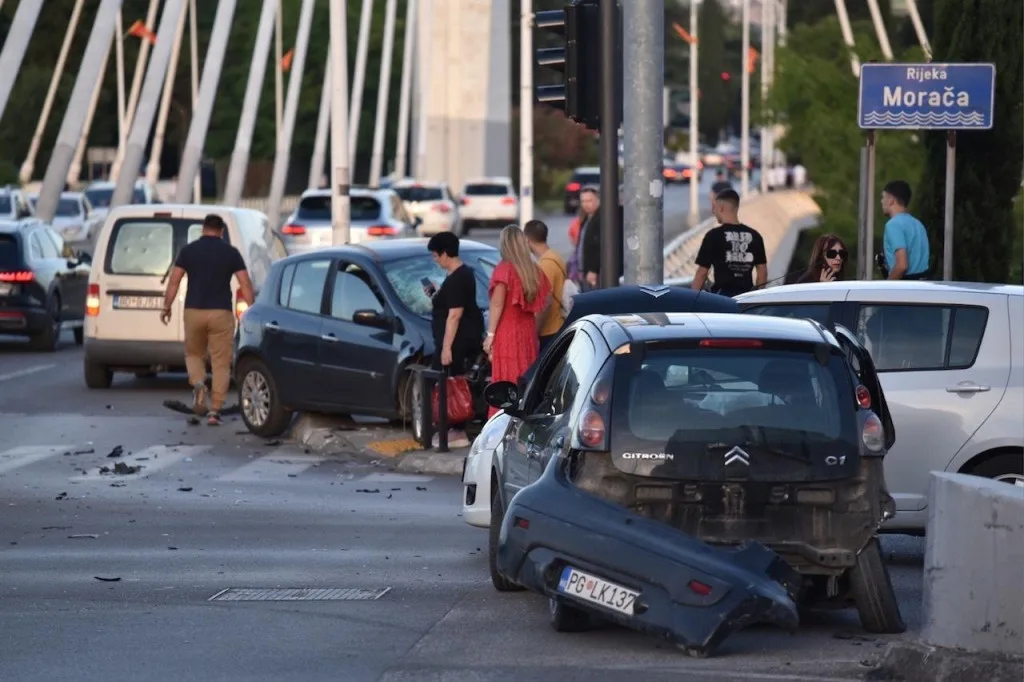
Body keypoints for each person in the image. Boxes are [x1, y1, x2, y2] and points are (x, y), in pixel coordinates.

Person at [161, 214, 254, 425]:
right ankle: (214, 411)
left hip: (194, 311)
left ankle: (199, 384)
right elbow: (245, 283)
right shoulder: (231, 253)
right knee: (221, 362)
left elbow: (174, 281)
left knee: (194, 354)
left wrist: (166, 307)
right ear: (221, 231)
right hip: (221, 313)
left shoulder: (189, 251)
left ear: (203, 229)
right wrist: (252, 310)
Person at [484, 225, 551, 418]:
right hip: (527, 331)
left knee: (506, 380)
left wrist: (490, 335)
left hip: (507, 331)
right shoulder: (533, 270)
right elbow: (547, 300)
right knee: (526, 378)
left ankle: (503, 422)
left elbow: (497, 304)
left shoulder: (504, 269)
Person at [425, 232, 485, 447]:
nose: (435, 260)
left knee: (450, 384)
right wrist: (436, 293)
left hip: (457, 342)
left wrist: (446, 348)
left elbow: (455, 315)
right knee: (449, 383)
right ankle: (451, 430)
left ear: (445, 253)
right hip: (456, 340)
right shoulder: (459, 275)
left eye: (436, 255)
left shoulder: (459, 278)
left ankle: (456, 431)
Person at [691, 189, 767, 297]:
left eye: (714, 207)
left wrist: (692, 301)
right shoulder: (755, 236)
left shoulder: (713, 236)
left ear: (721, 207)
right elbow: (762, 271)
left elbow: (702, 273)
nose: (713, 211)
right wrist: (757, 297)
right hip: (746, 298)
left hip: (722, 299)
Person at [523, 219, 566, 353]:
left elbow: (546, 301)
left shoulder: (545, 264)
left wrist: (534, 331)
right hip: (559, 323)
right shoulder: (556, 256)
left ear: (527, 240)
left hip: (549, 329)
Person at [880, 180, 930, 280]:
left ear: (891, 200)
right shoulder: (918, 224)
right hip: (923, 284)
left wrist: (887, 284)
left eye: (883, 197)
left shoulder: (893, 225)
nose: (881, 201)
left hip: (905, 285)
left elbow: (902, 265)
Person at [574, 187, 603, 291]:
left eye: (589, 201)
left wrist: (593, 269)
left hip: (594, 273)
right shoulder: (586, 218)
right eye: (583, 201)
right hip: (583, 270)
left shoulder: (601, 219)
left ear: (598, 200)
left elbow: (600, 245)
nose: (586, 204)